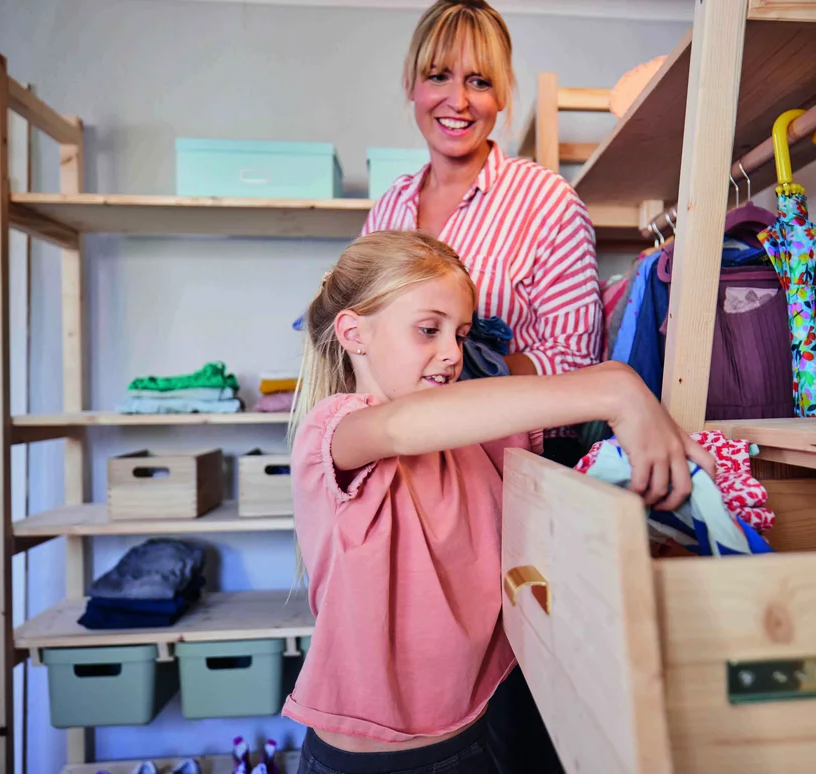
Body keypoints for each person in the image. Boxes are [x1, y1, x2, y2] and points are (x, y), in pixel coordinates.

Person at [283, 231, 714, 774]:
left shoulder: (483, 439)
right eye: (429, 329)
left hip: (472, 737)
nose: (452, 353)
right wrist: (617, 386)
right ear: (354, 333)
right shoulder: (334, 430)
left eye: (461, 334)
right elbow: (398, 428)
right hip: (367, 763)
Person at [361, 0, 601, 467]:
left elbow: (575, 361)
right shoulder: (389, 208)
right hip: (397, 454)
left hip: (511, 457)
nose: (458, 101)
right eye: (438, 76)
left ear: (502, 94)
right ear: (411, 84)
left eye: (479, 81)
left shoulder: (548, 201)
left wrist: (464, 374)